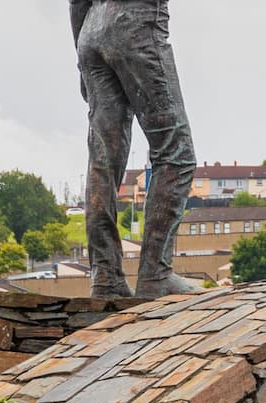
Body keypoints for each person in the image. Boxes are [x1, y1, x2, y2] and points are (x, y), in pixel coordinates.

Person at [72, 0, 198, 297]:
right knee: (176, 153)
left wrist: (81, 58)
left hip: (90, 32)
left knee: (104, 160)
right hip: (137, 23)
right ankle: (155, 275)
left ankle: (105, 276)